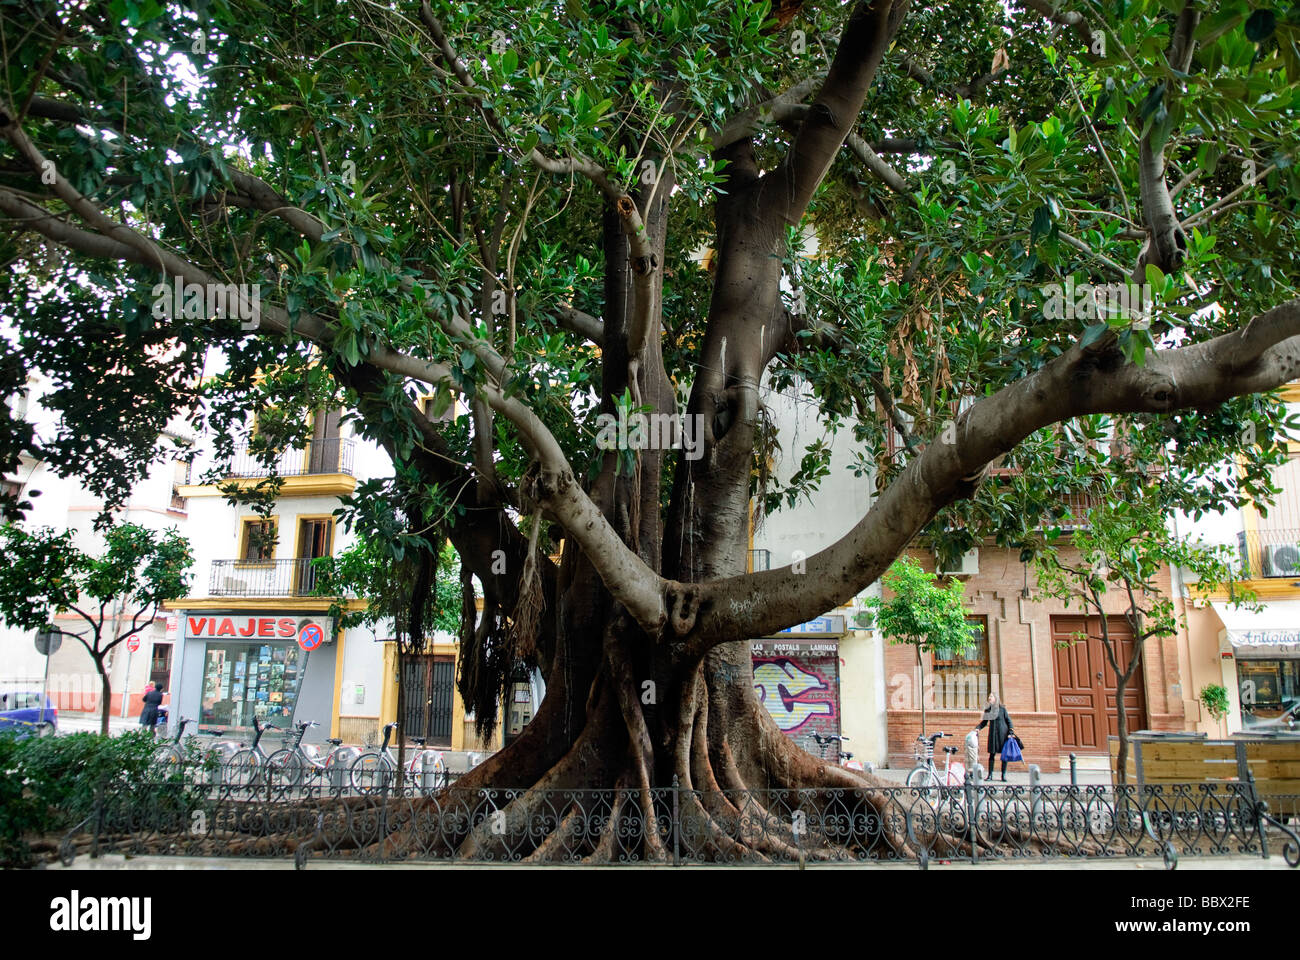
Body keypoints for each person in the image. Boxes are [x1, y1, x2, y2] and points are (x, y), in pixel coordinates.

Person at [974, 692, 1014, 782]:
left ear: (995, 698)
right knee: (992, 754)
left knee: (1004, 756)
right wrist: (978, 728)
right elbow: (984, 722)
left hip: (1003, 734)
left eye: (991, 696)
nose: (989, 698)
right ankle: (990, 775)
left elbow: (1009, 721)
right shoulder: (988, 710)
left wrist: (1011, 731)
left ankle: (1003, 775)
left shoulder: (1002, 709)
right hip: (993, 735)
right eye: (989, 696)